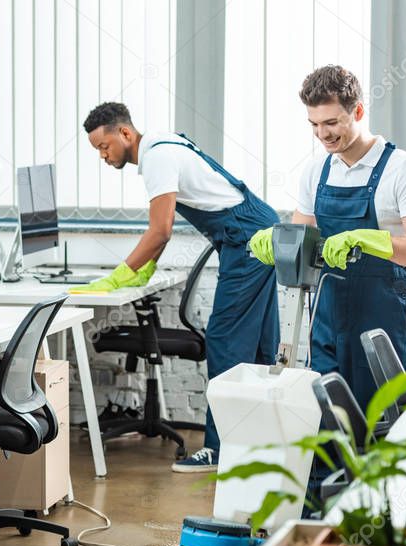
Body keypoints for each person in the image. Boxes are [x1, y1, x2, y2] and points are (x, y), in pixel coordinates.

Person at [249, 65, 406, 505]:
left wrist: (372, 240)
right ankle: (320, 526)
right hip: (327, 315)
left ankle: (377, 522)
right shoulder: (316, 172)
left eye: (332, 122)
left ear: (357, 110)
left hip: (380, 324)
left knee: (375, 425)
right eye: (314, 125)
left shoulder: (402, 169)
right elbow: (303, 240)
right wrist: (277, 240)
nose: (323, 135)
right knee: (325, 422)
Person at [78, 102, 281, 473]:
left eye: (103, 146)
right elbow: (163, 230)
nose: (103, 156)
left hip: (248, 240)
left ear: (124, 133)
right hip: (258, 230)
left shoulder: (156, 158)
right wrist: (144, 269)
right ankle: (264, 442)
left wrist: (120, 275)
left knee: (225, 340)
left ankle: (221, 450)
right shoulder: (164, 145)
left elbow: (161, 229)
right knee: (259, 343)